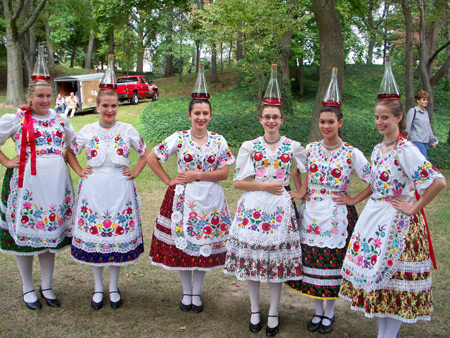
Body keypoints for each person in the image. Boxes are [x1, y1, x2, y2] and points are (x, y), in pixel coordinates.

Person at [339, 99, 446, 338]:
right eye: (377, 117)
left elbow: (437, 181)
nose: (379, 122)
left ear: (398, 118)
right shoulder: (378, 149)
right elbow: (375, 184)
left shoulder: (406, 150)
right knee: (383, 283)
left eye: (385, 117)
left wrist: (413, 207)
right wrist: (355, 200)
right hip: (375, 218)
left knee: (395, 283)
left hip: (398, 224)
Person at [286, 106, 373, 334]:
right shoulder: (311, 149)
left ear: (340, 123)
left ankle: (330, 312)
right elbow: (297, 171)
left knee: (333, 263)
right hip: (311, 214)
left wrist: (353, 199)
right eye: (322, 122)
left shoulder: (351, 153)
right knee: (313, 262)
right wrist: (302, 191)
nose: (325, 126)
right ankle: (317, 310)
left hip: (338, 216)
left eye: (330, 122)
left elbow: (375, 180)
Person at [224, 104, 307, 336]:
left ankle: (273, 311)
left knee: (275, 262)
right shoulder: (249, 146)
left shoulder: (293, 146)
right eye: (267, 117)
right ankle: (253, 309)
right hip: (253, 208)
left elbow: (309, 168)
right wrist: (265, 186)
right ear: (260, 119)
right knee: (253, 260)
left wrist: (300, 192)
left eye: (275, 117)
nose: (271, 120)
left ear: (282, 120)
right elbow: (238, 182)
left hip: (281, 208)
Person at [148, 99, 235, 314]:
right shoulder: (179, 138)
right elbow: (152, 157)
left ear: (210, 116)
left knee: (203, 244)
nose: (201, 117)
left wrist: (198, 175)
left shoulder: (218, 140)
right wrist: (169, 180)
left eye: (205, 113)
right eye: (197, 113)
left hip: (210, 200)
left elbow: (224, 173)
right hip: (183, 199)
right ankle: (187, 293)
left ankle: (197, 292)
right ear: (189, 115)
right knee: (183, 246)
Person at [66, 89, 148, 310]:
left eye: (113, 106)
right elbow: (70, 152)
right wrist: (80, 171)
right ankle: (97, 288)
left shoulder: (127, 129)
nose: (110, 110)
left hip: (120, 189)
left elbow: (144, 152)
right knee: (96, 240)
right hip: (93, 189)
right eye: (105, 106)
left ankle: (113, 286)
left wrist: (136, 172)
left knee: (115, 239)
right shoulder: (87, 130)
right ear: (97, 106)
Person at [0, 80, 76, 310]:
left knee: (49, 236)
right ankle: (27, 287)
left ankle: (46, 285)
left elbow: (73, 144)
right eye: (40, 96)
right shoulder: (16, 118)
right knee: (24, 238)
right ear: (30, 97)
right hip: (26, 186)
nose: (44, 100)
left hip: (53, 186)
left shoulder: (60, 119)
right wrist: (6, 161)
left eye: (48, 96)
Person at [405, 90, 438, 159]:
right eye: (424, 99)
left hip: (425, 141)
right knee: (424, 161)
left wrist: (432, 140)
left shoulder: (426, 112)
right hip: (416, 140)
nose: (426, 101)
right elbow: (407, 127)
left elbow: (428, 127)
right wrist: (404, 140)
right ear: (418, 100)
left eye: (427, 100)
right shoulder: (413, 111)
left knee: (418, 162)